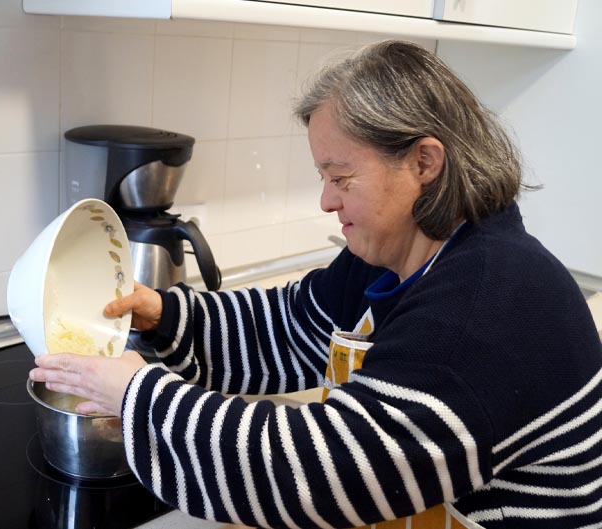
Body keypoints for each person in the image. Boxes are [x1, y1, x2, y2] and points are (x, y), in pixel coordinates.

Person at [30, 40, 602, 529]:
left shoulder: (487, 305)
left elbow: (324, 470)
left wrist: (137, 395)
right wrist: (164, 313)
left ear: (425, 163)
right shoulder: (398, 255)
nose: (327, 200)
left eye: (341, 177)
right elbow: (290, 327)